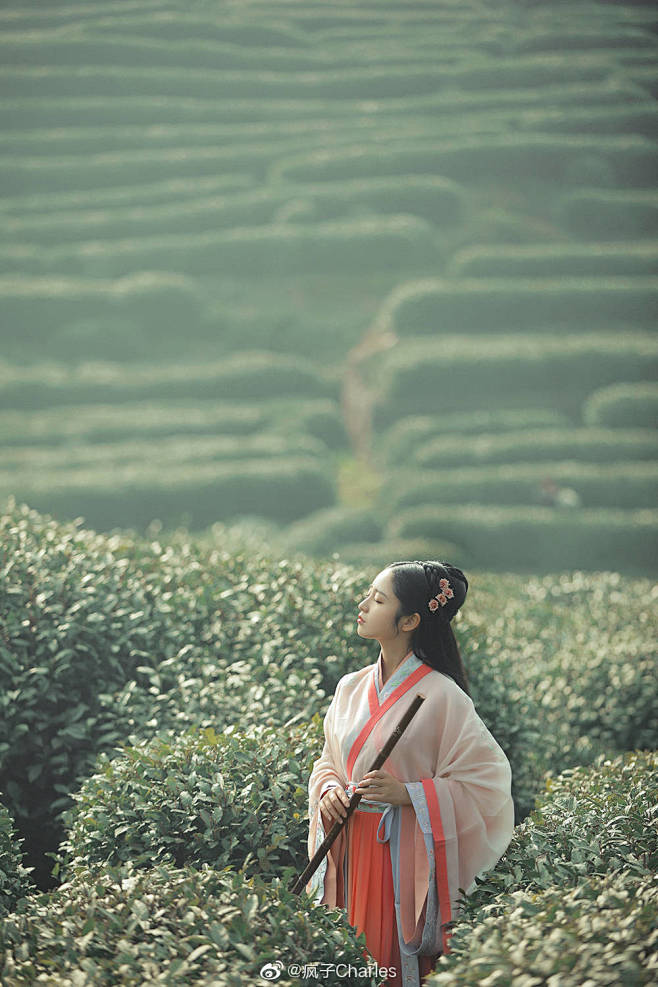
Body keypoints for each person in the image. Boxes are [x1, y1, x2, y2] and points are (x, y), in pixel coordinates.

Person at [306, 560, 515, 987]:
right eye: (368, 594)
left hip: (400, 853)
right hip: (346, 844)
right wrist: (328, 789)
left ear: (410, 620)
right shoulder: (350, 686)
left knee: (386, 964)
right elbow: (329, 760)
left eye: (378, 599)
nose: (362, 605)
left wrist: (409, 794)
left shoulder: (442, 695)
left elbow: (486, 781)